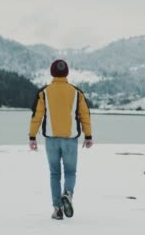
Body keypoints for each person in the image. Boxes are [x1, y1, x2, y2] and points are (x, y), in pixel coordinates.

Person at [28, 59, 93, 220]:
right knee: (70, 172)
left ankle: (57, 209)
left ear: (52, 72)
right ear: (66, 73)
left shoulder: (44, 92)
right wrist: (88, 135)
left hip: (51, 139)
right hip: (70, 139)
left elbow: (37, 116)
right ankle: (68, 194)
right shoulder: (77, 92)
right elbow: (85, 115)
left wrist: (32, 136)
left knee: (54, 174)